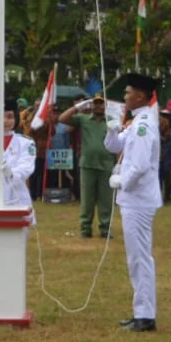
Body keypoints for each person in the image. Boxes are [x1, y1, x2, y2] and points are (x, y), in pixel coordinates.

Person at [105, 74, 163, 332]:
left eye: (128, 92)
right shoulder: (136, 122)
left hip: (138, 198)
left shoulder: (143, 125)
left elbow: (138, 165)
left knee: (139, 257)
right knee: (136, 257)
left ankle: (145, 315)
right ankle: (141, 311)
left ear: (140, 96)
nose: (125, 96)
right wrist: (111, 128)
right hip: (133, 198)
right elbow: (114, 145)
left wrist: (121, 180)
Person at [58, 94, 115, 238]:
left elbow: (118, 141)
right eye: (95, 103)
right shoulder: (83, 119)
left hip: (106, 164)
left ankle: (106, 229)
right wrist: (78, 106)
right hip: (88, 164)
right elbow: (62, 119)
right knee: (87, 199)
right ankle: (85, 229)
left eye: (101, 103)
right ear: (91, 105)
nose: (98, 106)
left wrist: (119, 163)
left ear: (105, 105)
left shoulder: (111, 121)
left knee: (106, 200)